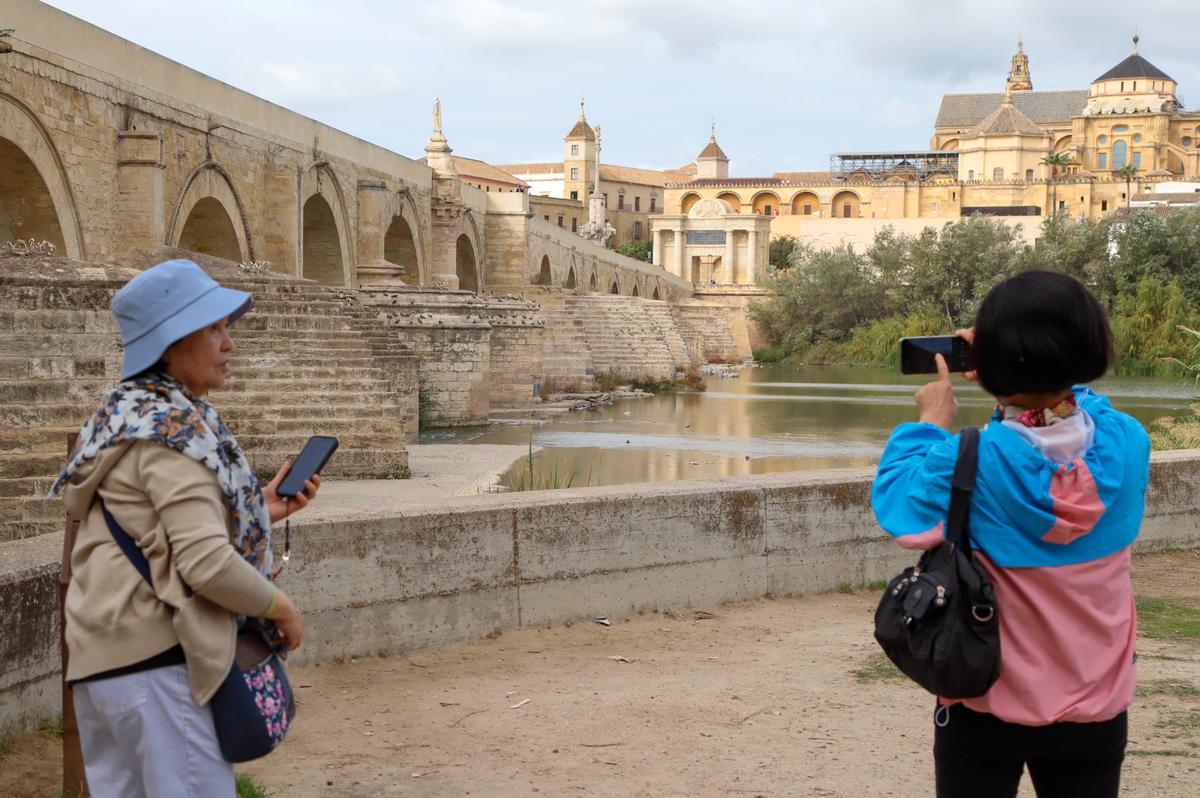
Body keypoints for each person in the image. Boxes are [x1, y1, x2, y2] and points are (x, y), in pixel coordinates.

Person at [872, 270, 1149, 798]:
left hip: (987, 698)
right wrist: (1022, 371)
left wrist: (930, 424)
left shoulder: (967, 459)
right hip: (1096, 700)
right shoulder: (1128, 442)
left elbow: (898, 509)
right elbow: (1082, 402)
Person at [51, 259, 321, 797]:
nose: (229, 343)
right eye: (213, 328)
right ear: (169, 344)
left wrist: (258, 510)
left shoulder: (125, 420)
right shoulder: (172, 434)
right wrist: (281, 608)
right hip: (158, 665)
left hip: (102, 669)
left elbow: (157, 532)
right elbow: (204, 564)